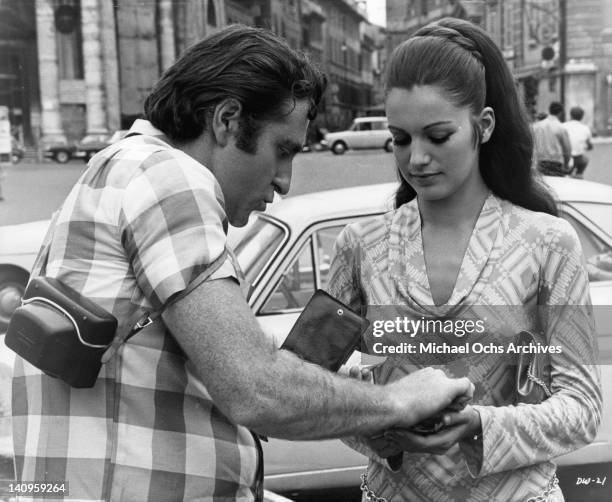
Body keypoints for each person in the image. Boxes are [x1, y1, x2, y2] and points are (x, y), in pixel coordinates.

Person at [11, 25, 474, 501]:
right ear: (228, 120)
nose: (285, 182)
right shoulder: (170, 179)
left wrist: (359, 394)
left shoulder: (119, 165)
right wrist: (398, 400)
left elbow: (217, 358)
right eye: (284, 150)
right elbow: (254, 388)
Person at [326, 17, 601, 502]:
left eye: (437, 136)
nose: (416, 160)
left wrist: (479, 424)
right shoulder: (359, 245)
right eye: (402, 139)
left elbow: (581, 407)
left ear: (484, 125)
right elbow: (308, 382)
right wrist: (381, 416)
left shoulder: (547, 243)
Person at [532, 101, 572, 176]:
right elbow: (567, 150)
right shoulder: (560, 127)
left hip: (539, 162)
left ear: (549, 110)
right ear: (561, 112)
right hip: (555, 163)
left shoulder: (536, 126)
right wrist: (566, 165)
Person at [563, 105, 593, 179]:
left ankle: (567, 175)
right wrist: (586, 147)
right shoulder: (585, 128)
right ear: (582, 117)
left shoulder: (563, 126)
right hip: (578, 158)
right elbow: (590, 145)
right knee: (585, 160)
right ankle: (578, 174)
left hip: (565, 157)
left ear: (570, 115)